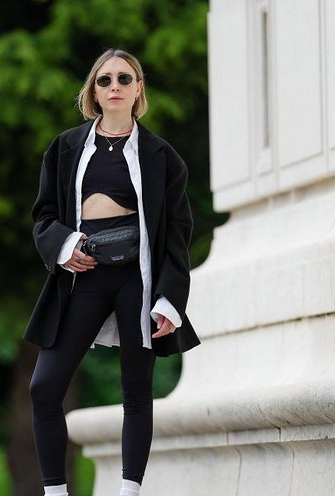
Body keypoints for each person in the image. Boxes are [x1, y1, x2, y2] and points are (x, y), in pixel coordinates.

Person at [22, 48, 201, 496]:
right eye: (105, 80)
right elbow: (43, 216)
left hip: (136, 278)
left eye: (124, 78)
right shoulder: (65, 148)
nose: (115, 86)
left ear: (138, 88)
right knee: (44, 388)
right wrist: (65, 247)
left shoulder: (163, 157)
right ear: (94, 91)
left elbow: (177, 234)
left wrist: (169, 299)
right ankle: (56, 492)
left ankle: (129, 491)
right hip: (83, 274)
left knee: (136, 390)